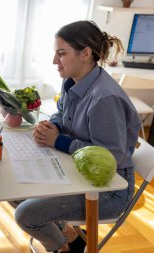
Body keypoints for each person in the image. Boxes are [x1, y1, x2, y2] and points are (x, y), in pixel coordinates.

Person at [14, 21, 141, 253]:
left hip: (109, 189)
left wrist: (58, 140)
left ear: (85, 54)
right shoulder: (71, 80)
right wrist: (51, 125)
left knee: (25, 214)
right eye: (55, 53)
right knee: (16, 190)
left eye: (61, 54)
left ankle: (63, 248)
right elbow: (63, 113)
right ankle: (71, 237)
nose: (54, 61)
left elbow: (109, 157)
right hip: (76, 170)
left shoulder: (104, 99)